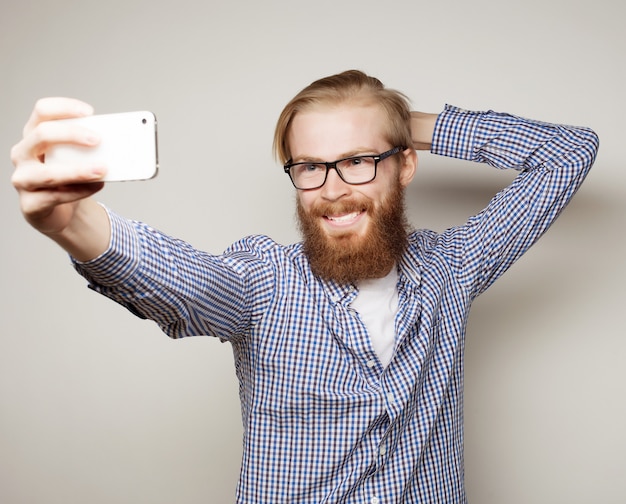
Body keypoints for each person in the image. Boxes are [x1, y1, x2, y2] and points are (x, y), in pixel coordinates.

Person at [11, 70, 599, 503]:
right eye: (310, 166)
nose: (333, 188)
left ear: (406, 164)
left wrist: (410, 125)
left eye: (360, 160)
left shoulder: (453, 267)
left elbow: (568, 153)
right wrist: (74, 225)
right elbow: (190, 284)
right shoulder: (265, 282)